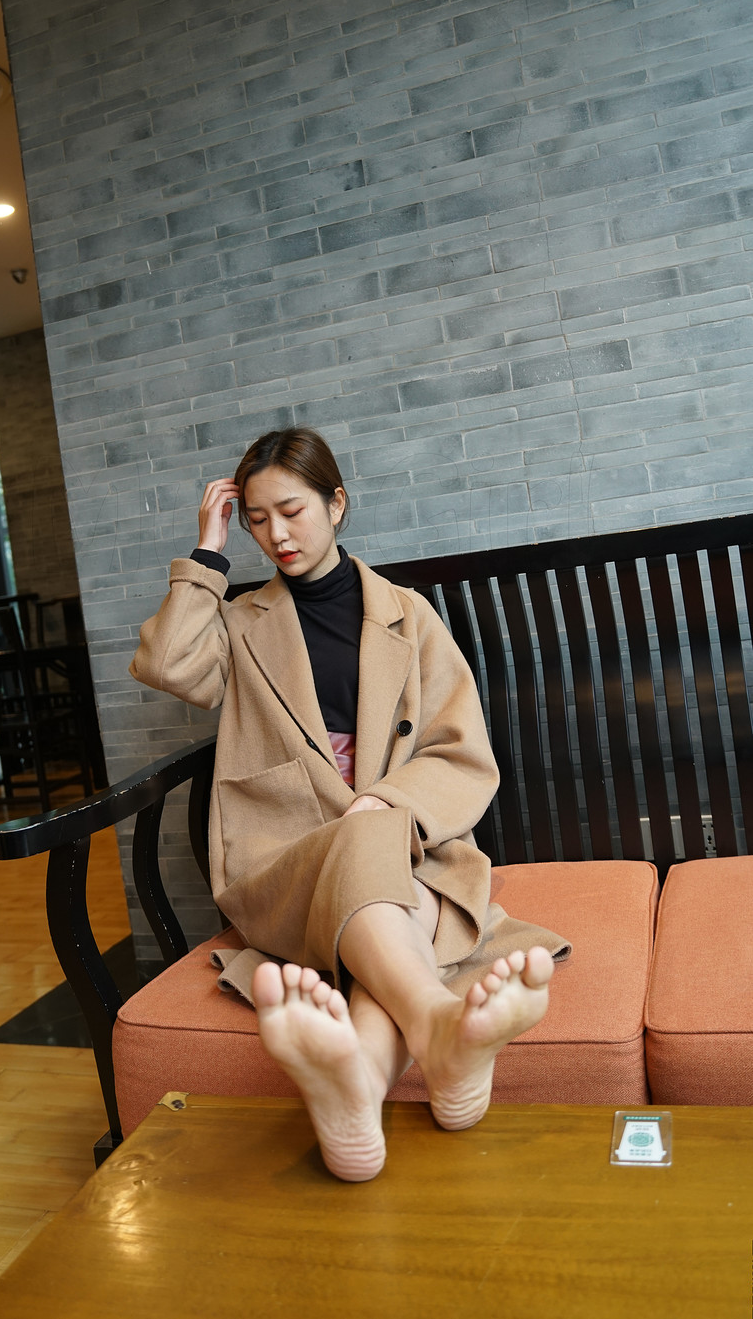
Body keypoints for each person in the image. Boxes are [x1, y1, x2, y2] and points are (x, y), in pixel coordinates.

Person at [131, 428, 570, 1182]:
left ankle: (361, 1080)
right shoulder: (240, 621)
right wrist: (208, 553)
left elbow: (461, 751)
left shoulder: (409, 615)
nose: (277, 535)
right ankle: (438, 1025)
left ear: (337, 503)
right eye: (257, 520)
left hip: (410, 852)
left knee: (384, 881)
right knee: (389, 890)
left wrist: (384, 802)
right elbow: (168, 665)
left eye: (293, 511)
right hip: (288, 862)